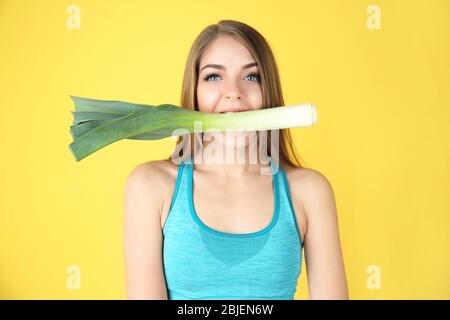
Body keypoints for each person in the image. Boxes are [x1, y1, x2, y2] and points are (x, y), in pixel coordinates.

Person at [124, 20, 348, 300]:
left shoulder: (310, 191)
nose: (234, 92)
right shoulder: (149, 186)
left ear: (270, 93)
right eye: (214, 76)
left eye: (252, 76)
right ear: (194, 92)